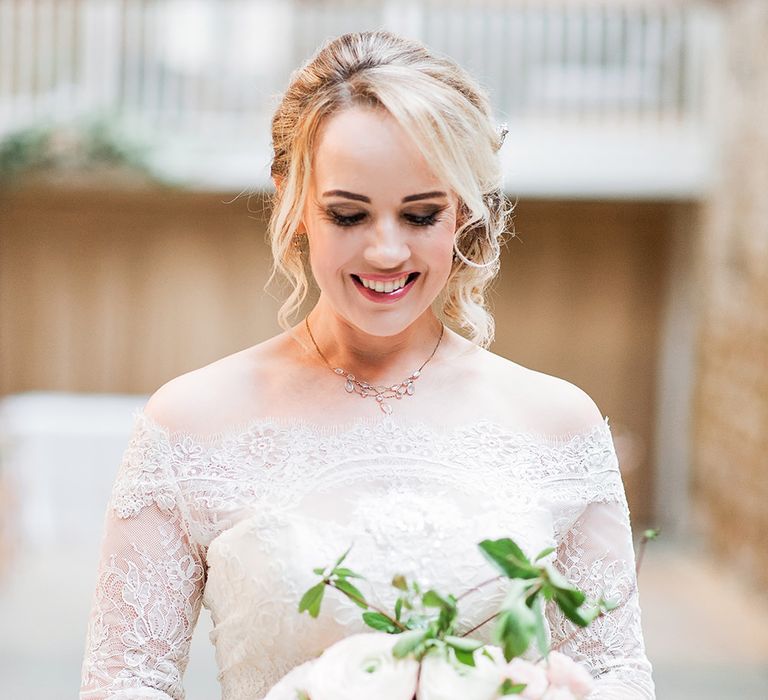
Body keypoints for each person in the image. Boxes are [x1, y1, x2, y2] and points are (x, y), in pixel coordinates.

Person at [79, 30, 655, 699]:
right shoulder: (189, 425)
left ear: (462, 212)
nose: (386, 250)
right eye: (349, 215)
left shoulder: (559, 422)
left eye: (420, 215)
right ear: (292, 202)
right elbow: (126, 683)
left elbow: (616, 679)